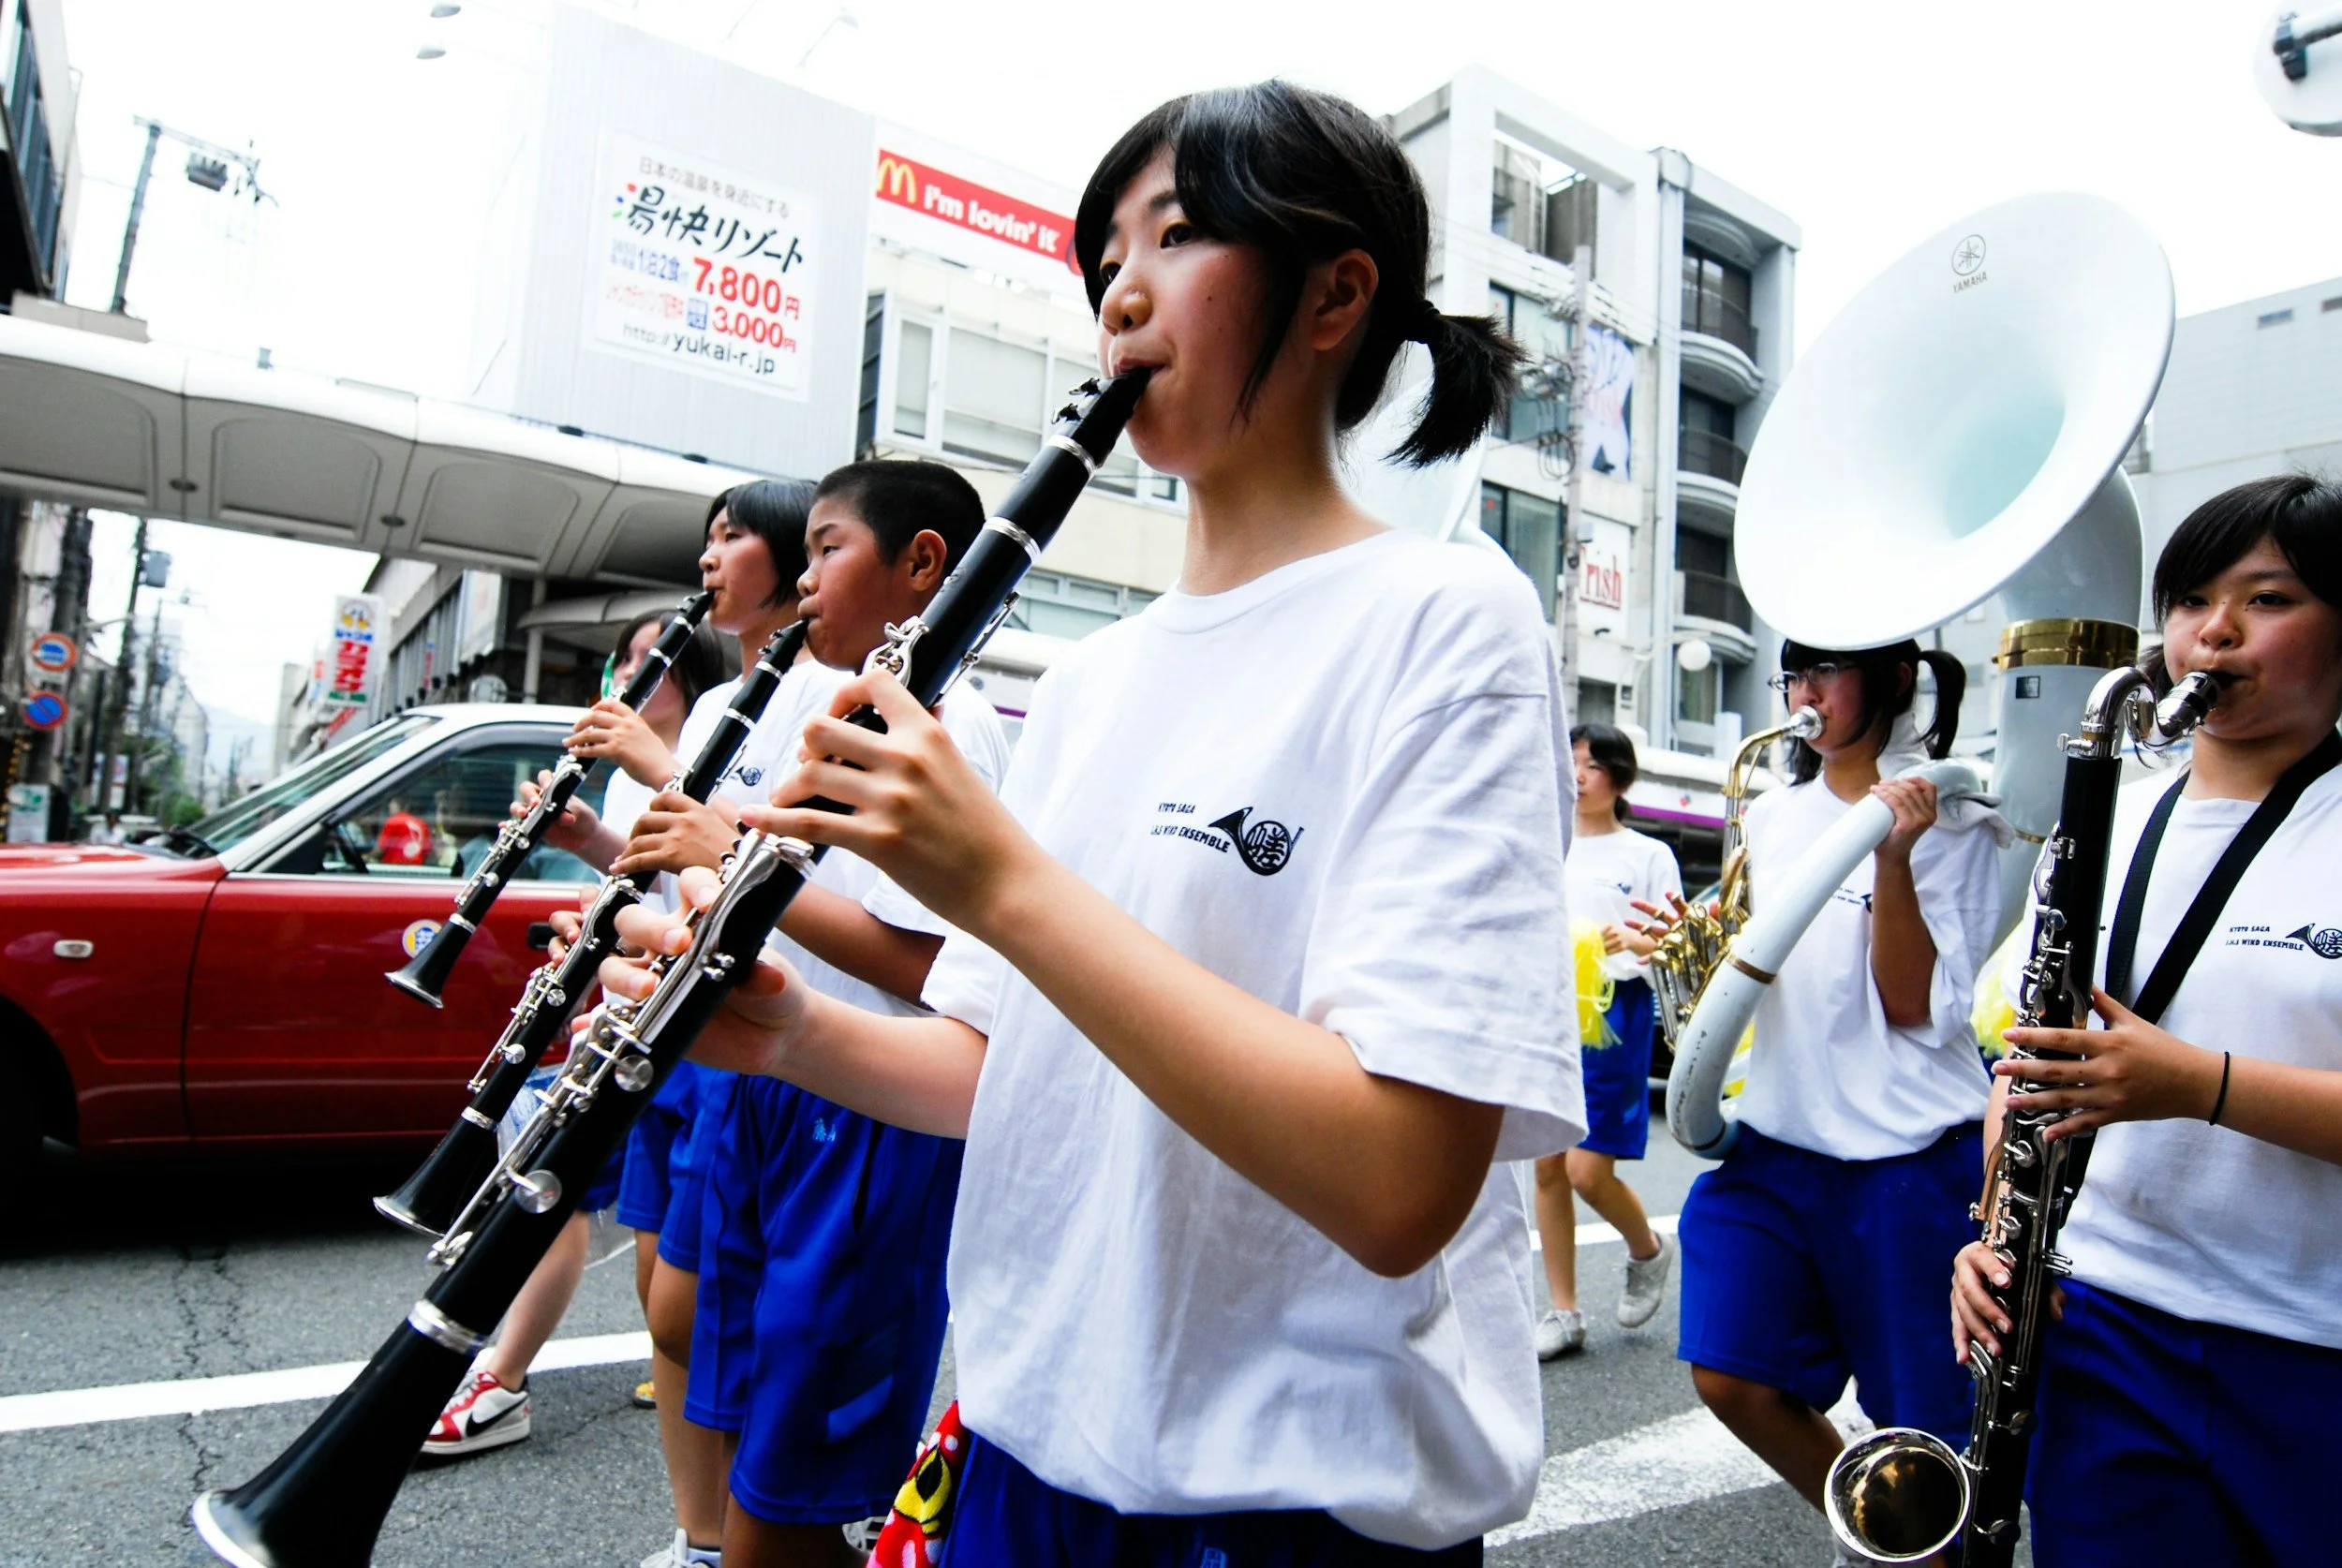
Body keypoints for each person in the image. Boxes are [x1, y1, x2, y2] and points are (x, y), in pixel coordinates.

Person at [600, 81, 1582, 1564]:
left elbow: (1399, 1184)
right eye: (1102, 254)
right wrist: (789, 1028)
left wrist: (997, 880)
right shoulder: (1091, 683)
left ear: (1334, 294)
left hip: (1291, 1502)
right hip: (1020, 1448)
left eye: (1175, 234)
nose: (1119, 287)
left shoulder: (1446, 617)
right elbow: (1003, 1074)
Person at [1950, 474, 2342, 1568]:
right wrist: (1989, 1228)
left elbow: (2154, 1074)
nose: (2212, 631)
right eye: (2188, 600)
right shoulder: (2106, 821)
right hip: (2109, 1327)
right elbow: (2029, 1063)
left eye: (2268, 600)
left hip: (2315, 1347)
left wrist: (2196, 1085)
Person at [664, 459, 1008, 1568]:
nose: (804, 580)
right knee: (736, 1412)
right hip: (773, 1086)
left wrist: (742, 863)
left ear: (920, 569)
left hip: (868, 1107)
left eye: (826, 550)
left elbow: (921, 965)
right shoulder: (829, 706)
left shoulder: (944, 732)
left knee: (791, 1490)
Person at [1649, 636, 2001, 1523]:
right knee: (1729, 1373)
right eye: (1794, 673)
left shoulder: (1960, 820)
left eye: (1825, 673)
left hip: (1911, 1159)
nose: (1804, 696)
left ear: (1890, 680)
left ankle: (1923, 1544)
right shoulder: (1773, 813)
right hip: (1780, 1143)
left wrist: (1893, 857)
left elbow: (1912, 1006)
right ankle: (1888, 1528)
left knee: (1924, 1426)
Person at [422, 599, 725, 1459]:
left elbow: (721, 875)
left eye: (648, 662)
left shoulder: (700, 747)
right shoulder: (633, 774)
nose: (627, 678)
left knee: (557, 1193)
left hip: (683, 1024)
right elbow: (648, 886)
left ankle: (503, 1379)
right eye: (624, 661)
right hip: (634, 1011)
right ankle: (666, 1366)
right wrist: (590, 843)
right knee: (630, 1229)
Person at [1534, 723, 1681, 1358]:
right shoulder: (1546, 845)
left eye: (1589, 765)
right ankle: (1564, 1312)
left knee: (1586, 1169)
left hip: (1615, 1011)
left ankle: (1646, 1249)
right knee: (1545, 1165)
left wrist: (1635, 941)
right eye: (1569, 765)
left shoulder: (1644, 854)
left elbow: (1676, 941)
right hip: (1543, 1007)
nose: (1577, 777)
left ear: (1618, 776)